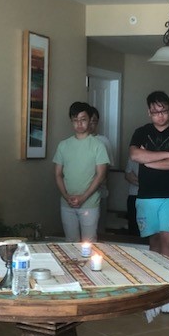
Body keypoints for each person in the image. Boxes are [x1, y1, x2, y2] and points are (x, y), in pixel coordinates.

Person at [129, 91, 169, 259]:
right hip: (146, 196)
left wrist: (149, 162)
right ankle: (159, 280)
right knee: (155, 240)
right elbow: (135, 155)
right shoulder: (141, 132)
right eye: (156, 112)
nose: (161, 116)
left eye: (164, 111)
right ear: (149, 112)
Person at [53, 101, 110, 241]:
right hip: (67, 202)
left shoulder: (98, 145)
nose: (79, 124)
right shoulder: (63, 145)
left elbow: (100, 175)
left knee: (89, 243)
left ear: (90, 120)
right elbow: (58, 174)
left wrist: (83, 197)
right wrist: (66, 196)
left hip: (89, 203)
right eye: (75, 120)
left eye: (83, 120)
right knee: (70, 243)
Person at [87, 105, 115, 233]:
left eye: (94, 121)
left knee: (98, 231)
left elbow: (106, 170)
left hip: (99, 192)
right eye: (89, 121)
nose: (91, 125)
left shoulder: (103, 141)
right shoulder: (74, 142)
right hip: (78, 193)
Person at [123, 158, 140, 236]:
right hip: (134, 195)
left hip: (153, 197)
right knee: (133, 227)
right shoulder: (134, 157)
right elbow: (128, 176)